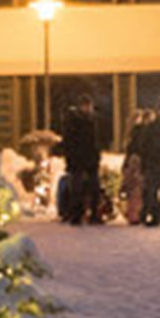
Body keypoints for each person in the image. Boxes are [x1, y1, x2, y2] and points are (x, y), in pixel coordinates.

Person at [58, 96, 103, 224]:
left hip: (91, 160)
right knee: (77, 189)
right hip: (78, 160)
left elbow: (96, 141)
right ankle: (76, 215)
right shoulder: (74, 122)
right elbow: (69, 142)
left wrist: (97, 155)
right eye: (85, 106)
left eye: (89, 106)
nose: (88, 108)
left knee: (94, 188)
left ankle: (94, 214)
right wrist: (70, 158)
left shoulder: (93, 121)